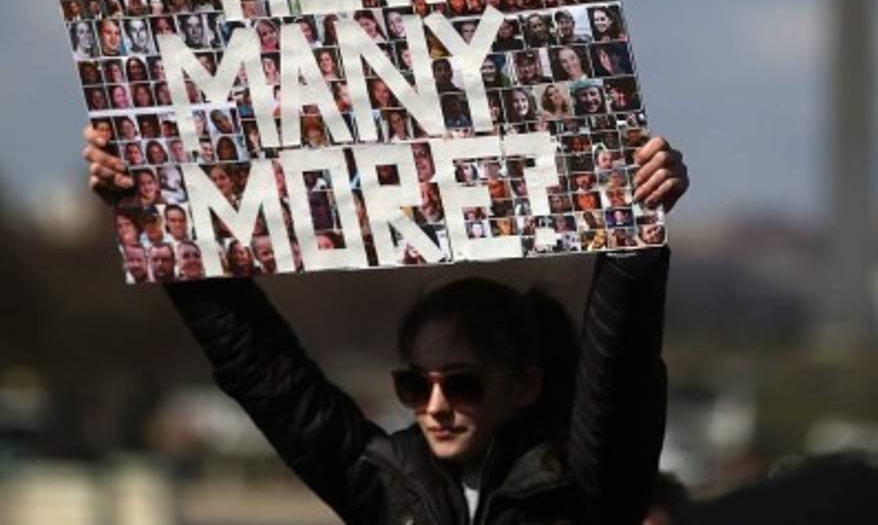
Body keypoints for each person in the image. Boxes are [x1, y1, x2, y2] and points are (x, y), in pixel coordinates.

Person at [82, 124, 688, 524]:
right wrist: (160, 220)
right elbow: (269, 378)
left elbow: (620, 372)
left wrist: (636, 233)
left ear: (525, 385)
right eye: (414, 385)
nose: (436, 405)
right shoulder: (388, 485)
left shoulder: (584, 485)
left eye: (463, 383)